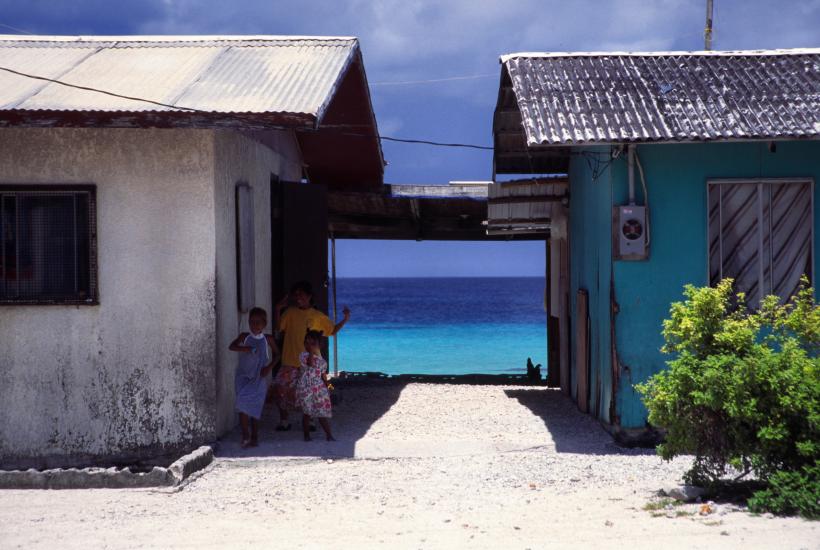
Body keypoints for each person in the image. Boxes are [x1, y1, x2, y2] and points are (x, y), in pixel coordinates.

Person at [273, 280, 350, 431]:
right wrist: (277, 309)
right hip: (289, 360)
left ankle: (312, 420)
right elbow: (278, 328)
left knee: (311, 392)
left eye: (301, 294)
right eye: (296, 295)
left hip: (311, 364)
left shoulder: (318, 316)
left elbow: (332, 331)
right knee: (279, 388)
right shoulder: (289, 312)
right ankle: (284, 421)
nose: (298, 297)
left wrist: (345, 320)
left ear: (309, 296)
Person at [229, 307, 279, 448]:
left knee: (255, 407)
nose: (255, 325)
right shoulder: (245, 337)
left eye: (258, 323)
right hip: (243, 377)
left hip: (258, 378)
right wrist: (244, 348)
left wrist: (269, 367)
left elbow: (278, 354)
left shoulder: (267, 339)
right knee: (242, 404)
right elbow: (232, 346)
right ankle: (245, 435)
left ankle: (255, 436)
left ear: (264, 324)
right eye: (252, 322)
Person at [296, 330, 335, 441]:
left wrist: (330, 387)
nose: (309, 346)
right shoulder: (303, 356)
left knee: (321, 414)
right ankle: (306, 436)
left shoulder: (322, 361)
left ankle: (329, 435)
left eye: (312, 343)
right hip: (306, 389)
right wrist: (312, 352)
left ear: (319, 345)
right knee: (307, 413)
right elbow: (310, 363)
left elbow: (323, 376)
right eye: (306, 343)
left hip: (319, 389)